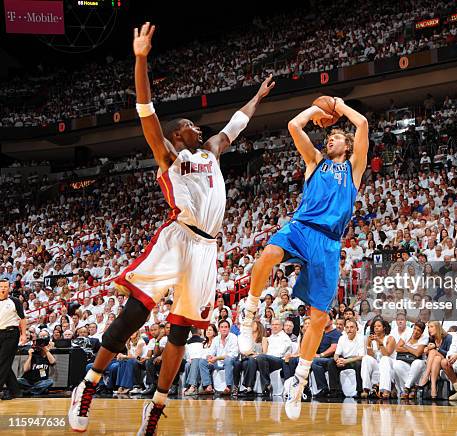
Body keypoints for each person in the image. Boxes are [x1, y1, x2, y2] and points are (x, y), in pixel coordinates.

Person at [68, 22, 274, 435]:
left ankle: (156, 408)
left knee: (180, 334)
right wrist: (141, 59)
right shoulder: (169, 155)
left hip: (207, 250)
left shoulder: (213, 151)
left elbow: (237, 122)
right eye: (191, 126)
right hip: (178, 239)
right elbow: (146, 109)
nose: (199, 128)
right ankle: (87, 386)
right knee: (136, 313)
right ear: (178, 134)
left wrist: (257, 97)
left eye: (199, 128)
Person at [238, 95, 368, 419]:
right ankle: (249, 313)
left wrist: (337, 104)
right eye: (330, 135)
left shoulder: (353, 170)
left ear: (347, 145)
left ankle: (300, 379)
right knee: (267, 254)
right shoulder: (315, 161)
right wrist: (314, 111)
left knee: (319, 319)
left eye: (336, 136)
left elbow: (362, 124)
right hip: (301, 227)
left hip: (328, 243)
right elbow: (293, 125)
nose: (330, 138)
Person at [0, 279, 27, 400]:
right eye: (1, 286)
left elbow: (22, 319)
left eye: (6, 286)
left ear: (9, 288)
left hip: (11, 333)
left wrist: (24, 334)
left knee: (3, 361)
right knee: (5, 364)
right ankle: (16, 391)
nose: (3, 288)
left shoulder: (15, 301)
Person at [326, 318, 364, 398]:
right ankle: (336, 390)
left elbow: (361, 356)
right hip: (344, 360)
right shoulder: (342, 338)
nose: (349, 329)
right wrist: (338, 360)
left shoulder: (361, 338)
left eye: (351, 327)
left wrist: (346, 361)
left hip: (355, 360)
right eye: (347, 327)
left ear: (356, 328)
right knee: (331, 362)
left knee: (359, 364)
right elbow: (336, 354)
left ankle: (359, 391)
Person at [416, 321, 452, 400]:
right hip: (437, 361)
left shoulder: (448, 337)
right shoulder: (431, 339)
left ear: (438, 327)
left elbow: (450, 353)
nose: (429, 329)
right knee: (436, 358)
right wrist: (426, 351)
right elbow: (431, 356)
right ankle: (433, 387)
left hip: (446, 361)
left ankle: (426, 376)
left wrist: (437, 348)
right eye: (428, 327)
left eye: (432, 327)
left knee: (433, 352)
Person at [18, 330, 56, 396]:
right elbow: (25, 369)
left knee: (50, 382)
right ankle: (36, 390)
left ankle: (29, 391)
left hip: (41, 381)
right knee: (18, 380)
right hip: (28, 381)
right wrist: (30, 356)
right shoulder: (34, 353)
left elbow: (53, 362)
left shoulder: (48, 355)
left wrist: (45, 350)